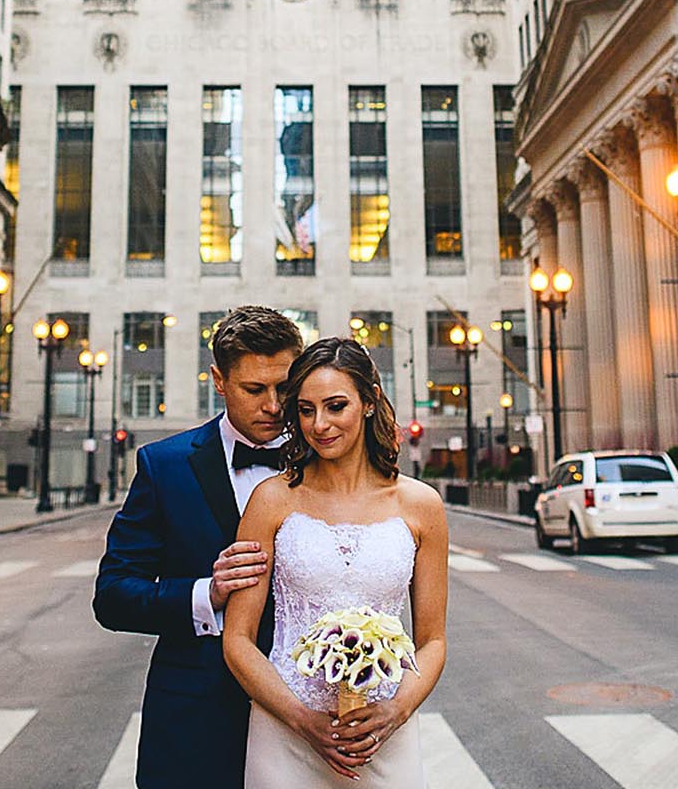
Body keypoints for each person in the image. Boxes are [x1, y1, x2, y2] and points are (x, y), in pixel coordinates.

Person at [94, 306, 306, 789]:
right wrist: (206, 594)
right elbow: (112, 595)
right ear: (218, 379)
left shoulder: (327, 460)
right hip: (197, 720)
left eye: (285, 388)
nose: (274, 406)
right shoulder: (163, 466)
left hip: (308, 713)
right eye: (255, 390)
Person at [223, 338, 448, 787]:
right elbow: (238, 640)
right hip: (286, 731)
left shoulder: (421, 505)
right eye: (305, 410)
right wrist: (302, 719)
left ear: (369, 402)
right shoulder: (270, 501)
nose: (319, 424)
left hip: (382, 733)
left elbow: (433, 641)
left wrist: (395, 712)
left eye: (335, 406)